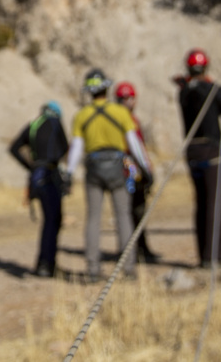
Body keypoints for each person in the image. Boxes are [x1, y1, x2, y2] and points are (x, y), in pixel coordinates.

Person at [66, 69, 151, 282]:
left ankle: (93, 268)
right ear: (107, 88)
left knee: (93, 218)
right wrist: (146, 168)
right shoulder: (120, 112)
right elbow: (134, 144)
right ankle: (128, 267)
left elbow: (76, 148)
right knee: (123, 216)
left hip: (93, 168)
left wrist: (68, 172)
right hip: (116, 167)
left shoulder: (81, 115)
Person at [173, 49, 221, 268]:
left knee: (201, 203)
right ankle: (214, 257)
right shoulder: (211, 90)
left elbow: (192, 91)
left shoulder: (183, 91)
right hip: (210, 149)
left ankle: (204, 255)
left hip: (192, 151)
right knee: (214, 204)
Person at [9, 101, 70, 277]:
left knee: (48, 220)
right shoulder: (55, 123)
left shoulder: (33, 125)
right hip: (50, 176)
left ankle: (44, 262)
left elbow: (14, 148)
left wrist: (31, 166)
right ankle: (47, 264)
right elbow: (63, 148)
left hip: (36, 177)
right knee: (53, 220)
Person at [113, 82, 160, 264]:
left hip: (134, 168)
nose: (128, 102)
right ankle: (133, 249)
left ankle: (140, 247)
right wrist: (145, 170)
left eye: (130, 98)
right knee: (131, 210)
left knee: (137, 209)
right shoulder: (123, 120)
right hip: (128, 169)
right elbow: (134, 147)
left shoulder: (133, 119)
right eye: (124, 99)